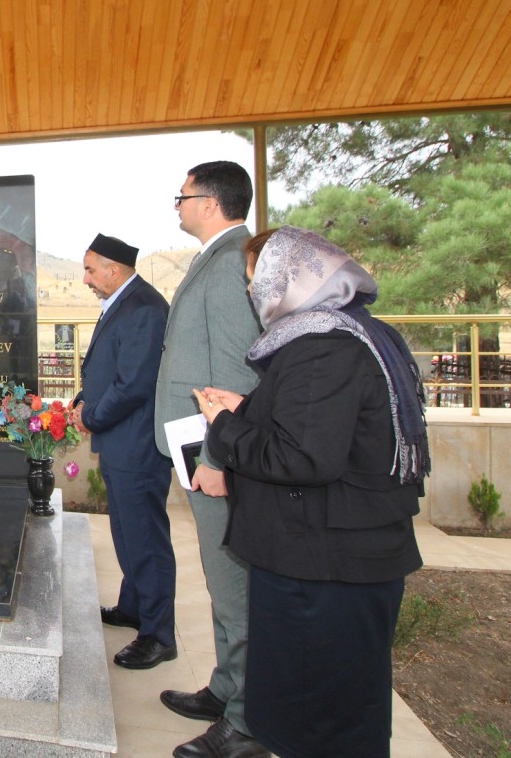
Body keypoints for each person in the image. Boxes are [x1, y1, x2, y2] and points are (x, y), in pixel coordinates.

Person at [197, 226, 430, 758]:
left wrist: (223, 427)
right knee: (338, 710)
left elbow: (301, 456)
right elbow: (318, 426)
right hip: (340, 558)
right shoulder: (353, 332)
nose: (255, 294)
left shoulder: (321, 347)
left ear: (292, 279)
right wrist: (245, 409)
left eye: (259, 282)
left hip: (323, 568)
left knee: (324, 721)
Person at [153, 162, 267, 758]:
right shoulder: (217, 258)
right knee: (219, 578)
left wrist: (219, 456)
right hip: (196, 445)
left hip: (211, 451)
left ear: (209, 202)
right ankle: (226, 688)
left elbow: (232, 369)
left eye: (182, 197)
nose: (176, 207)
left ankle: (247, 722)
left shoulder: (228, 265)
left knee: (233, 582)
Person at [71, 233, 176, 670]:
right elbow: (107, 368)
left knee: (145, 538)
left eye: (91, 270)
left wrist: (91, 416)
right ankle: (133, 607)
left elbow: (132, 384)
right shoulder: (123, 302)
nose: (86, 279)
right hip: (120, 442)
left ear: (115, 270)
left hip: (136, 444)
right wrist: (82, 399)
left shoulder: (144, 309)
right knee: (128, 532)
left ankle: (158, 634)